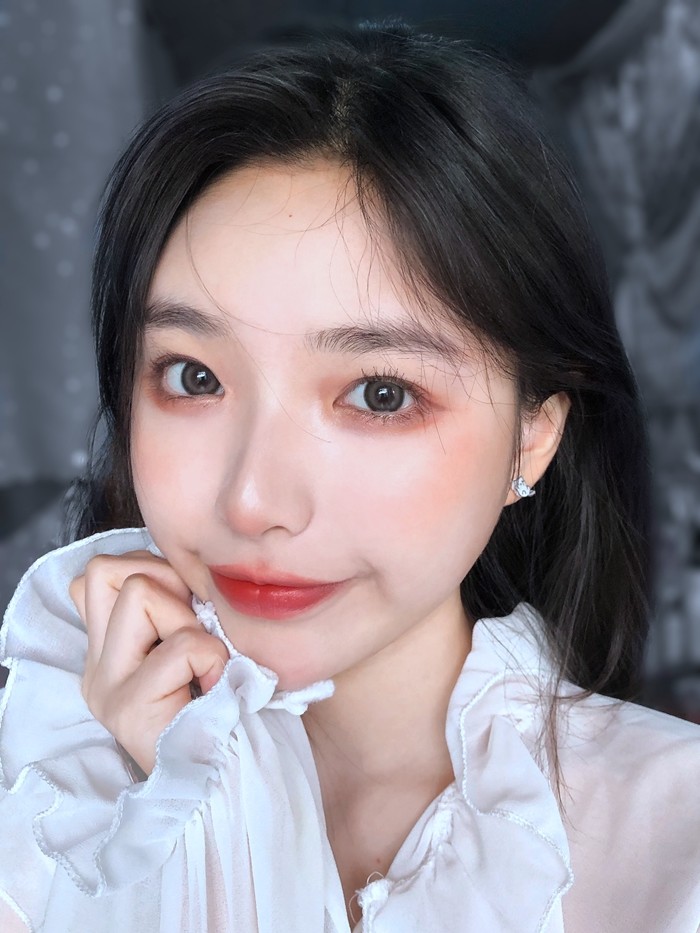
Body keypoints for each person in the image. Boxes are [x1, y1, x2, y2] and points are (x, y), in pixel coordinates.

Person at [0, 19, 698, 933]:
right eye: (194, 377)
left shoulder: (675, 841)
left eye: (379, 394)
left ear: (533, 437)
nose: (253, 501)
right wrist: (166, 830)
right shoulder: (52, 810)